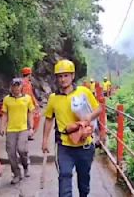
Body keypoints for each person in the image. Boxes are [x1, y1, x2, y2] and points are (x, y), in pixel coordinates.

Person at [42, 60, 101, 197]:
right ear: (56, 78)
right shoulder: (53, 98)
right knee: (64, 176)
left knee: (84, 181)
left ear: (72, 76)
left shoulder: (84, 92)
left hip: (85, 146)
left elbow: (98, 109)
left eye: (66, 75)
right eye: (60, 76)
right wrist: (44, 140)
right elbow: (49, 119)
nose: (63, 79)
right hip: (64, 146)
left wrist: (89, 117)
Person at [0, 78, 35, 184]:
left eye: (18, 85)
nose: (16, 88)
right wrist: (2, 126)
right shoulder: (7, 99)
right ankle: (16, 174)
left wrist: (31, 127)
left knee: (22, 149)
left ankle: (25, 165)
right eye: (14, 86)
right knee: (10, 153)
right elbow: (5, 114)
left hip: (23, 128)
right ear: (11, 87)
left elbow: (30, 113)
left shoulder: (27, 98)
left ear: (21, 87)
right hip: (11, 129)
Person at [21, 67, 40, 140]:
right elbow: (29, 94)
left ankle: (28, 133)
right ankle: (28, 134)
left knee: (27, 119)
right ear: (29, 74)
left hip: (26, 103)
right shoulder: (26, 83)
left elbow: (31, 94)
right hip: (27, 104)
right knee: (30, 119)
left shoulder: (26, 83)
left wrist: (35, 102)